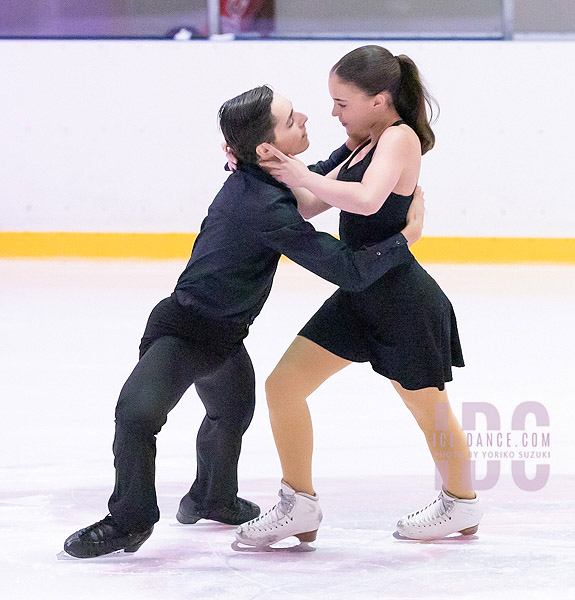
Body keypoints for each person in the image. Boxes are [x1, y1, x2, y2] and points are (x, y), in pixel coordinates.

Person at [62, 84, 425, 558]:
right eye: (293, 119)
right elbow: (347, 270)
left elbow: (314, 176)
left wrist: (356, 142)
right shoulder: (264, 208)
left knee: (232, 410)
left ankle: (211, 498)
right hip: (185, 331)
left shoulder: (264, 180)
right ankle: (129, 521)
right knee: (136, 415)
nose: (306, 120)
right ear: (267, 148)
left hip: (225, 336)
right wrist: (406, 237)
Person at [235, 46, 482, 548]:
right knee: (283, 386)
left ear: (379, 100)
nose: (332, 112)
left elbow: (368, 199)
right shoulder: (358, 144)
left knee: (429, 412)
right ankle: (298, 505)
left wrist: (302, 175)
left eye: (342, 102)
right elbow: (307, 207)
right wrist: (260, 163)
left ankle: (462, 504)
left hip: (402, 301)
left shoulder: (399, 138)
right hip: (359, 293)